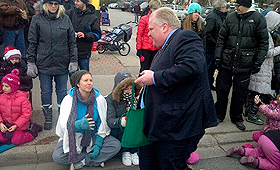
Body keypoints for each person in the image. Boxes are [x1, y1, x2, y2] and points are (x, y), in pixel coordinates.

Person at [134, 7, 217, 170]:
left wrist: (155, 78)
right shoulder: (165, 47)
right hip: (161, 123)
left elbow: (192, 67)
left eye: (151, 29)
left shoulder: (186, 37)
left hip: (178, 126)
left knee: (171, 166)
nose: (149, 34)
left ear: (164, 26)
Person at [214, 0, 269, 131]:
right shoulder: (231, 17)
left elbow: (263, 43)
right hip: (227, 61)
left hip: (245, 63)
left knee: (239, 93)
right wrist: (218, 57)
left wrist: (257, 62)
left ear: (247, 6)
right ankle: (218, 114)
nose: (236, 8)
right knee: (221, 89)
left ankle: (236, 117)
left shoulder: (258, 18)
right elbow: (221, 38)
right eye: (235, 5)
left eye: (239, 5)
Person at [52, 70, 121, 169]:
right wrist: (78, 124)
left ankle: (82, 161)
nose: (89, 83)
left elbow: (103, 124)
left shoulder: (99, 99)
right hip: (74, 136)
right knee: (57, 157)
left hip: (93, 135)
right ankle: (95, 159)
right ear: (78, 84)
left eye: (91, 80)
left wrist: (98, 144)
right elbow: (63, 123)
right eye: (85, 80)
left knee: (115, 145)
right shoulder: (68, 100)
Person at [26, 0, 78, 130]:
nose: (53, 6)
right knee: (46, 92)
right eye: (50, 3)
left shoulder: (65, 19)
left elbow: (72, 42)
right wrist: (31, 62)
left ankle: (62, 118)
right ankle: (48, 118)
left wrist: (73, 60)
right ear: (45, 4)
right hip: (44, 63)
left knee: (62, 92)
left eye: (56, 3)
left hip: (62, 62)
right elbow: (32, 42)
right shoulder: (37, 19)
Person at [245, 11, 280, 126]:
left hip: (261, 67)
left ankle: (249, 111)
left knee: (254, 90)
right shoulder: (265, 34)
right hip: (263, 68)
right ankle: (252, 114)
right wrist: (278, 49)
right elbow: (265, 52)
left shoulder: (263, 31)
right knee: (259, 91)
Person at [106, 71, 143, 166]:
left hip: (135, 129)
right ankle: (125, 151)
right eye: (126, 89)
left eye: (131, 88)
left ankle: (134, 151)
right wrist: (121, 121)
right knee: (124, 128)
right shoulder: (111, 99)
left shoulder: (137, 97)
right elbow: (110, 120)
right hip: (120, 130)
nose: (129, 91)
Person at [0, 69, 41, 145]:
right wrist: (1, 123)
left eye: (7, 86)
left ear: (13, 87)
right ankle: (10, 134)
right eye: (3, 85)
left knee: (16, 140)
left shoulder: (22, 98)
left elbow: (26, 114)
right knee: (2, 138)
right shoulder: (1, 97)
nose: (4, 88)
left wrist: (16, 125)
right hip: (6, 124)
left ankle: (32, 131)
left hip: (19, 125)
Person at [66, 0, 101, 71]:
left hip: (84, 53)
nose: (75, 3)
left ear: (84, 2)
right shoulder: (70, 13)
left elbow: (97, 35)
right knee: (72, 76)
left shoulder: (92, 17)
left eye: (78, 1)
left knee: (84, 75)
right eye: (75, 1)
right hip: (70, 52)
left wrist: (85, 35)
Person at [205, 0, 228, 90]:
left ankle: (210, 83)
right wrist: (216, 43)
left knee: (213, 68)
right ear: (221, 8)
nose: (227, 9)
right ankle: (206, 85)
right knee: (208, 68)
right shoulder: (212, 17)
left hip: (216, 48)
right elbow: (207, 33)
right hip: (211, 49)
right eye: (225, 7)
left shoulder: (221, 17)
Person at [136, 0, 161, 73]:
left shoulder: (160, 20)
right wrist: (139, 49)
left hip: (156, 49)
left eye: (157, 9)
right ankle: (141, 84)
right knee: (144, 70)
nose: (156, 11)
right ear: (151, 8)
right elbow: (139, 35)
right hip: (145, 49)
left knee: (154, 70)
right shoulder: (144, 19)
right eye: (154, 9)